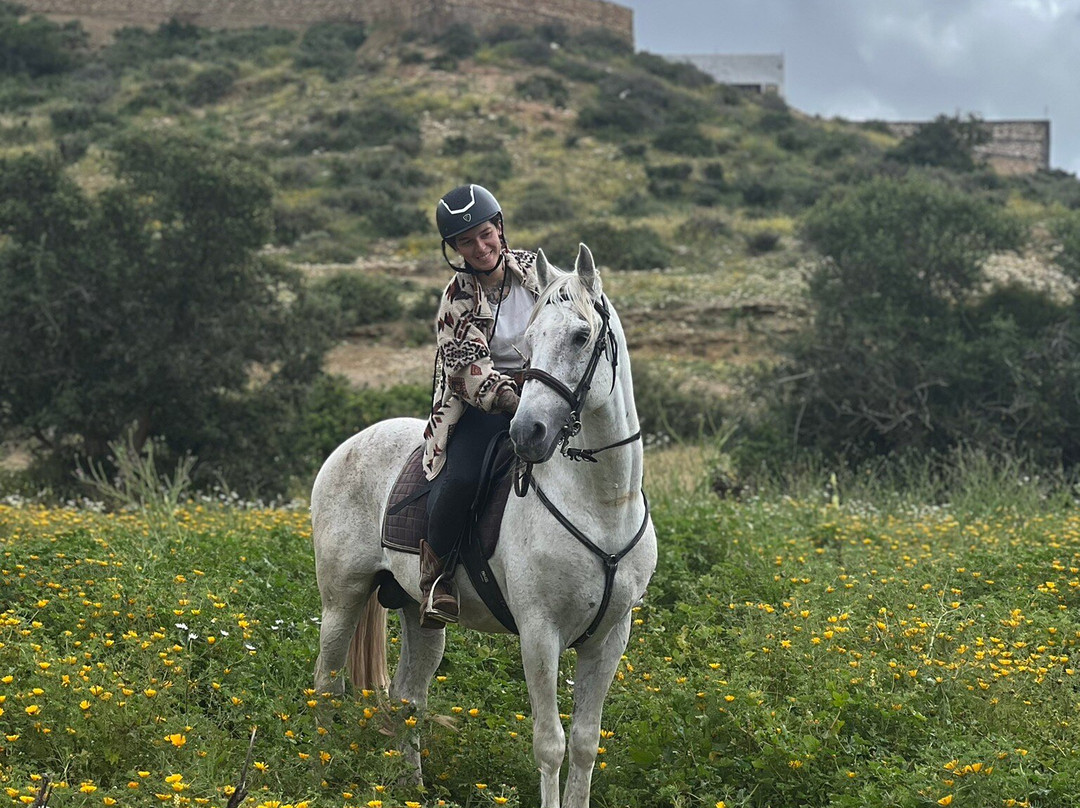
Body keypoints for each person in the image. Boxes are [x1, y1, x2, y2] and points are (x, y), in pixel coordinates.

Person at [419, 183, 540, 628]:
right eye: (465, 242)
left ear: (499, 228)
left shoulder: (537, 273)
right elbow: (467, 371)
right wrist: (512, 399)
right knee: (463, 476)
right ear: (454, 248)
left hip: (548, 397)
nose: (480, 247)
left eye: (485, 234)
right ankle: (438, 580)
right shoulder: (457, 298)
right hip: (485, 405)